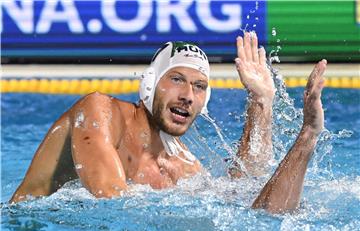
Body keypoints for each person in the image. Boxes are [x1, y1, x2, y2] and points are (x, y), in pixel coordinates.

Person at [10, 32, 327, 214]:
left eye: (199, 86)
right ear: (148, 85)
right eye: (177, 79)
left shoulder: (183, 165)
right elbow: (113, 206)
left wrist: (262, 104)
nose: (188, 95)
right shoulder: (99, 113)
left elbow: (249, 193)